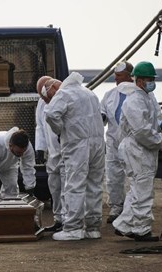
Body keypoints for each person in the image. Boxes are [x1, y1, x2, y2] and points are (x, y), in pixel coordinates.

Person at [43, 72, 105, 241]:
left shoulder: (64, 93)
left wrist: (60, 129)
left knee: (74, 184)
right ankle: (93, 228)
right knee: (94, 185)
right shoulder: (89, 93)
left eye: (45, 94)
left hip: (77, 144)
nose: (46, 99)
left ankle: (73, 228)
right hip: (98, 144)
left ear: (53, 87)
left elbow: (50, 114)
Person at [113, 61, 162, 241]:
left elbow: (147, 124)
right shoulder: (135, 100)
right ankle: (141, 229)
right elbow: (141, 131)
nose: (151, 82)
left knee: (137, 189)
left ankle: (125, 224)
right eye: (148, 79)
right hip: (137, 150)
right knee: (143, 191)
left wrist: (160, 126)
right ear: (139, 81)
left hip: (140, 150)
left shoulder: (145, 98)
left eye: (152, 79)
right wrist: (161, 140)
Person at [100, 61, 134, 224]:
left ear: (129, 76)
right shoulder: (109, 95)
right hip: (113, 142)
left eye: (119, 76)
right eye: (115, 76)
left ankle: (130, 209)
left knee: (132, 177)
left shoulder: (138, 94)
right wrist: (101, 117)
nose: (116, 79)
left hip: (132, 142)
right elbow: (103, 112)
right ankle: (115, 208)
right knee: (113, 176)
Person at [35, 75, 65, 232]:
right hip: (53, 153)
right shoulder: (42, 101)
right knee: (54, 186)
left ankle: (70, 219)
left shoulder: (66, 97)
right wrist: (40, 147)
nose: (43, 99)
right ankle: (59, 218)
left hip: (68, 150)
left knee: (69, 186)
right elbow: (40, 125)